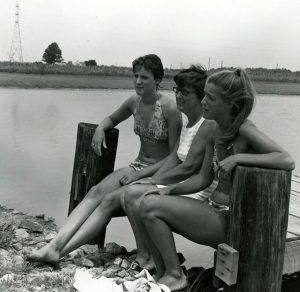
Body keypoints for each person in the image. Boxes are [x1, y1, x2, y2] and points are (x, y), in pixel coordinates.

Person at [137, 68, 295, 291]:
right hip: (213, 209)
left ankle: (175, 275)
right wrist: (170, 190)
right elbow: (202, 179)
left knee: (150, 208)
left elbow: (286, 159)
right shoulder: (213, 129)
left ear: (231, 104)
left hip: (235, 222)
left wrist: (238, 158)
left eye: (210, 98)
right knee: (146, 201)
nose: (203, 102)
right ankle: (164, 274)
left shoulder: (244, 129)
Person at [27, 54, 182, 264]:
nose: (138, 81)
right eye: (135, 76)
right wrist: (101, 127)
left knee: (109, 200)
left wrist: (141, 175)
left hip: (159, 173)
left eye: (144, 77)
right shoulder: (134, 102)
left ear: (157, 79)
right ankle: (54, 246)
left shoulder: (170, 109)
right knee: (95, 191)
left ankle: (60, 253)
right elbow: (112, 118)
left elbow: (175, 157)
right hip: (137, 166)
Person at [121, 65, 216, 272]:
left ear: (201, 97)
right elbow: (174, 158)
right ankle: (152, 260)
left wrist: (154, 182)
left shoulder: (206, 124)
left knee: (140, 196)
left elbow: (189, 167)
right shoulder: (189, 122)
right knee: (132, 193)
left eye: (185, 92)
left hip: (198, 192)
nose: (179, 96)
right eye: (177, 90)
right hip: (186, 186)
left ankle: (167, 268)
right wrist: (151, 179)